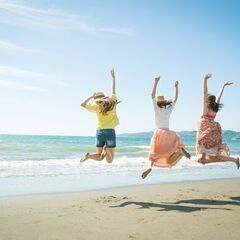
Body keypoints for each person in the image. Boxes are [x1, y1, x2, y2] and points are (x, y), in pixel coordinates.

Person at [142, 76, 191, 179]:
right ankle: (180, 152)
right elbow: (176, 99)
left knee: (153, 155)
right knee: (168, 159)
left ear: (158, 102)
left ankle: (149, 167)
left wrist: (155, 82)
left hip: (159, 134)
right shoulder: (168, 109)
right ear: (164, 102)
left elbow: (152, 95)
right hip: (170, 134)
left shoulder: (156, 108)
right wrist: (176, 87)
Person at [196, 73, 239, 168]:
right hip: (214, 128)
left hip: (205, 127)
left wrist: (205, 80)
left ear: (208, 100)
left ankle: (203, 153)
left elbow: (204, 92)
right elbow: (219, 97)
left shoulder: (206, 108)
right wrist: (223, 86)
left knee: (200, 143)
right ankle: (204, 154)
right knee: (208, 151)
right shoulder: (215, 108)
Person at [80, 69, 119, 164]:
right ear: (105, 97)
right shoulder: (112, 103)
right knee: (110, 160)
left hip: (99, 132)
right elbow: (113, 91)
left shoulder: (96, 107)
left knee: (100, 156)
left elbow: (82, 104)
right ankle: (106, 151)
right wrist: (113, 78)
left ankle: (88, 156)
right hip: (110, 131)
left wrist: (91, 96)